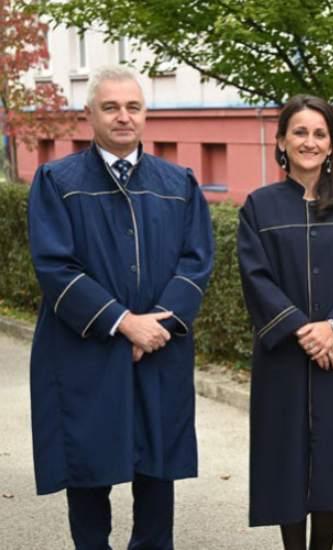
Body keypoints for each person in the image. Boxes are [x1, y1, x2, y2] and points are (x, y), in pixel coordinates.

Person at [27, 65, 214, 549]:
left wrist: (159, 325)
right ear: (89, 114)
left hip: (158, 349)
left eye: (133, 106)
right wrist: (122, 323)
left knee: (157, 470)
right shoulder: (56, 181)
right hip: (85, 349)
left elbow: (196, 262)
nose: (123, 117)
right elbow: (55, 269)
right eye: (110, 107)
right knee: (88, 469)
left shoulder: (179, 183)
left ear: (146, 114)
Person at [237, 94, 333, 550]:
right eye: (299, 132)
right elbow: (255, 275)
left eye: (319, 133)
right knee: (286, 459)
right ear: (281, 140)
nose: (309, 141)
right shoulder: (259, 206)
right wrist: (303, 328)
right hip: (283, 357)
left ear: (331, 143)